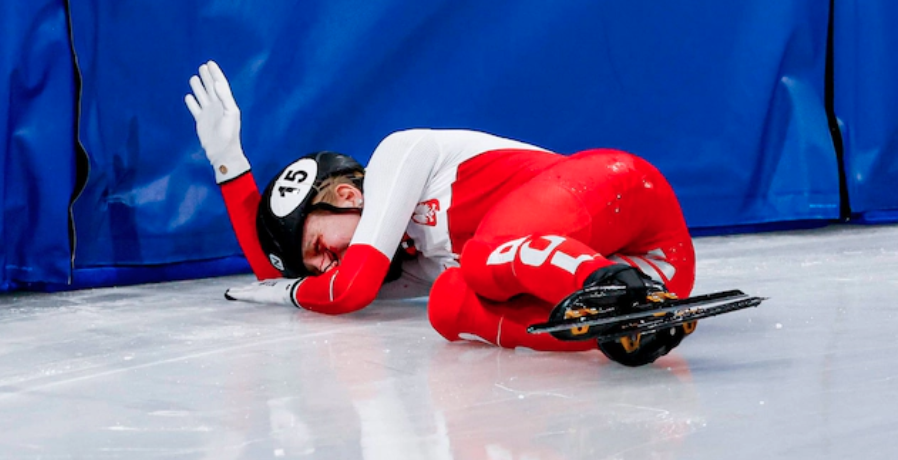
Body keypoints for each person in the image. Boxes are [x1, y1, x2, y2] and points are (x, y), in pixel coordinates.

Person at [185, 60, 697, 366]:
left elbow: (346, 290)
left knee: (478, 260)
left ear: (345, 196)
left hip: (625, 190)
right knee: (449, 304)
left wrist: (291, 293)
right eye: (315, 266)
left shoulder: (397, 155)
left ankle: (610, 288)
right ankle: (619, 327)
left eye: (319, 248)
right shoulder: (410, 265)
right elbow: (280, 277)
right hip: (664, 274)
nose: (323, 268)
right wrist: (228, 164)